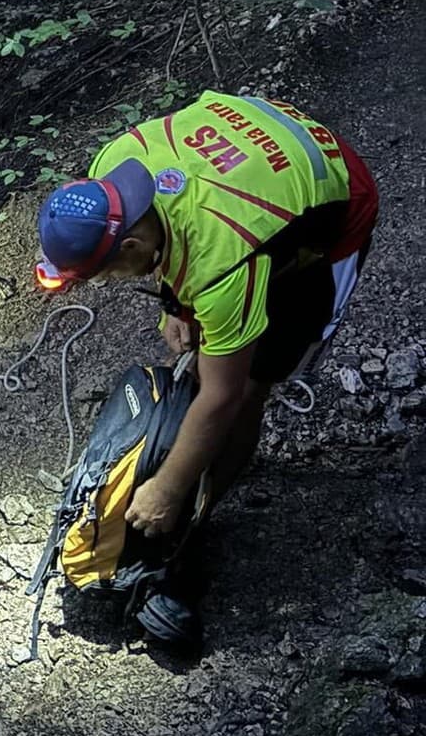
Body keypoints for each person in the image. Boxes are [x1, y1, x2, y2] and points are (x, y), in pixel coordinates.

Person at [36, 90, 378, 643]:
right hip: (247, 166)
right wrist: (176, 304)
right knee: (207, 341)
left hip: (332, 201)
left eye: (104, 274)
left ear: (125, 246)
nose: (107, 285)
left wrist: (170, 487)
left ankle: (196, 514)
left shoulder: (222, 265)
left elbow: (224, 394)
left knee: (252, 385)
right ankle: (196, 465)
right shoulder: (113, 171)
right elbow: (172, 232)